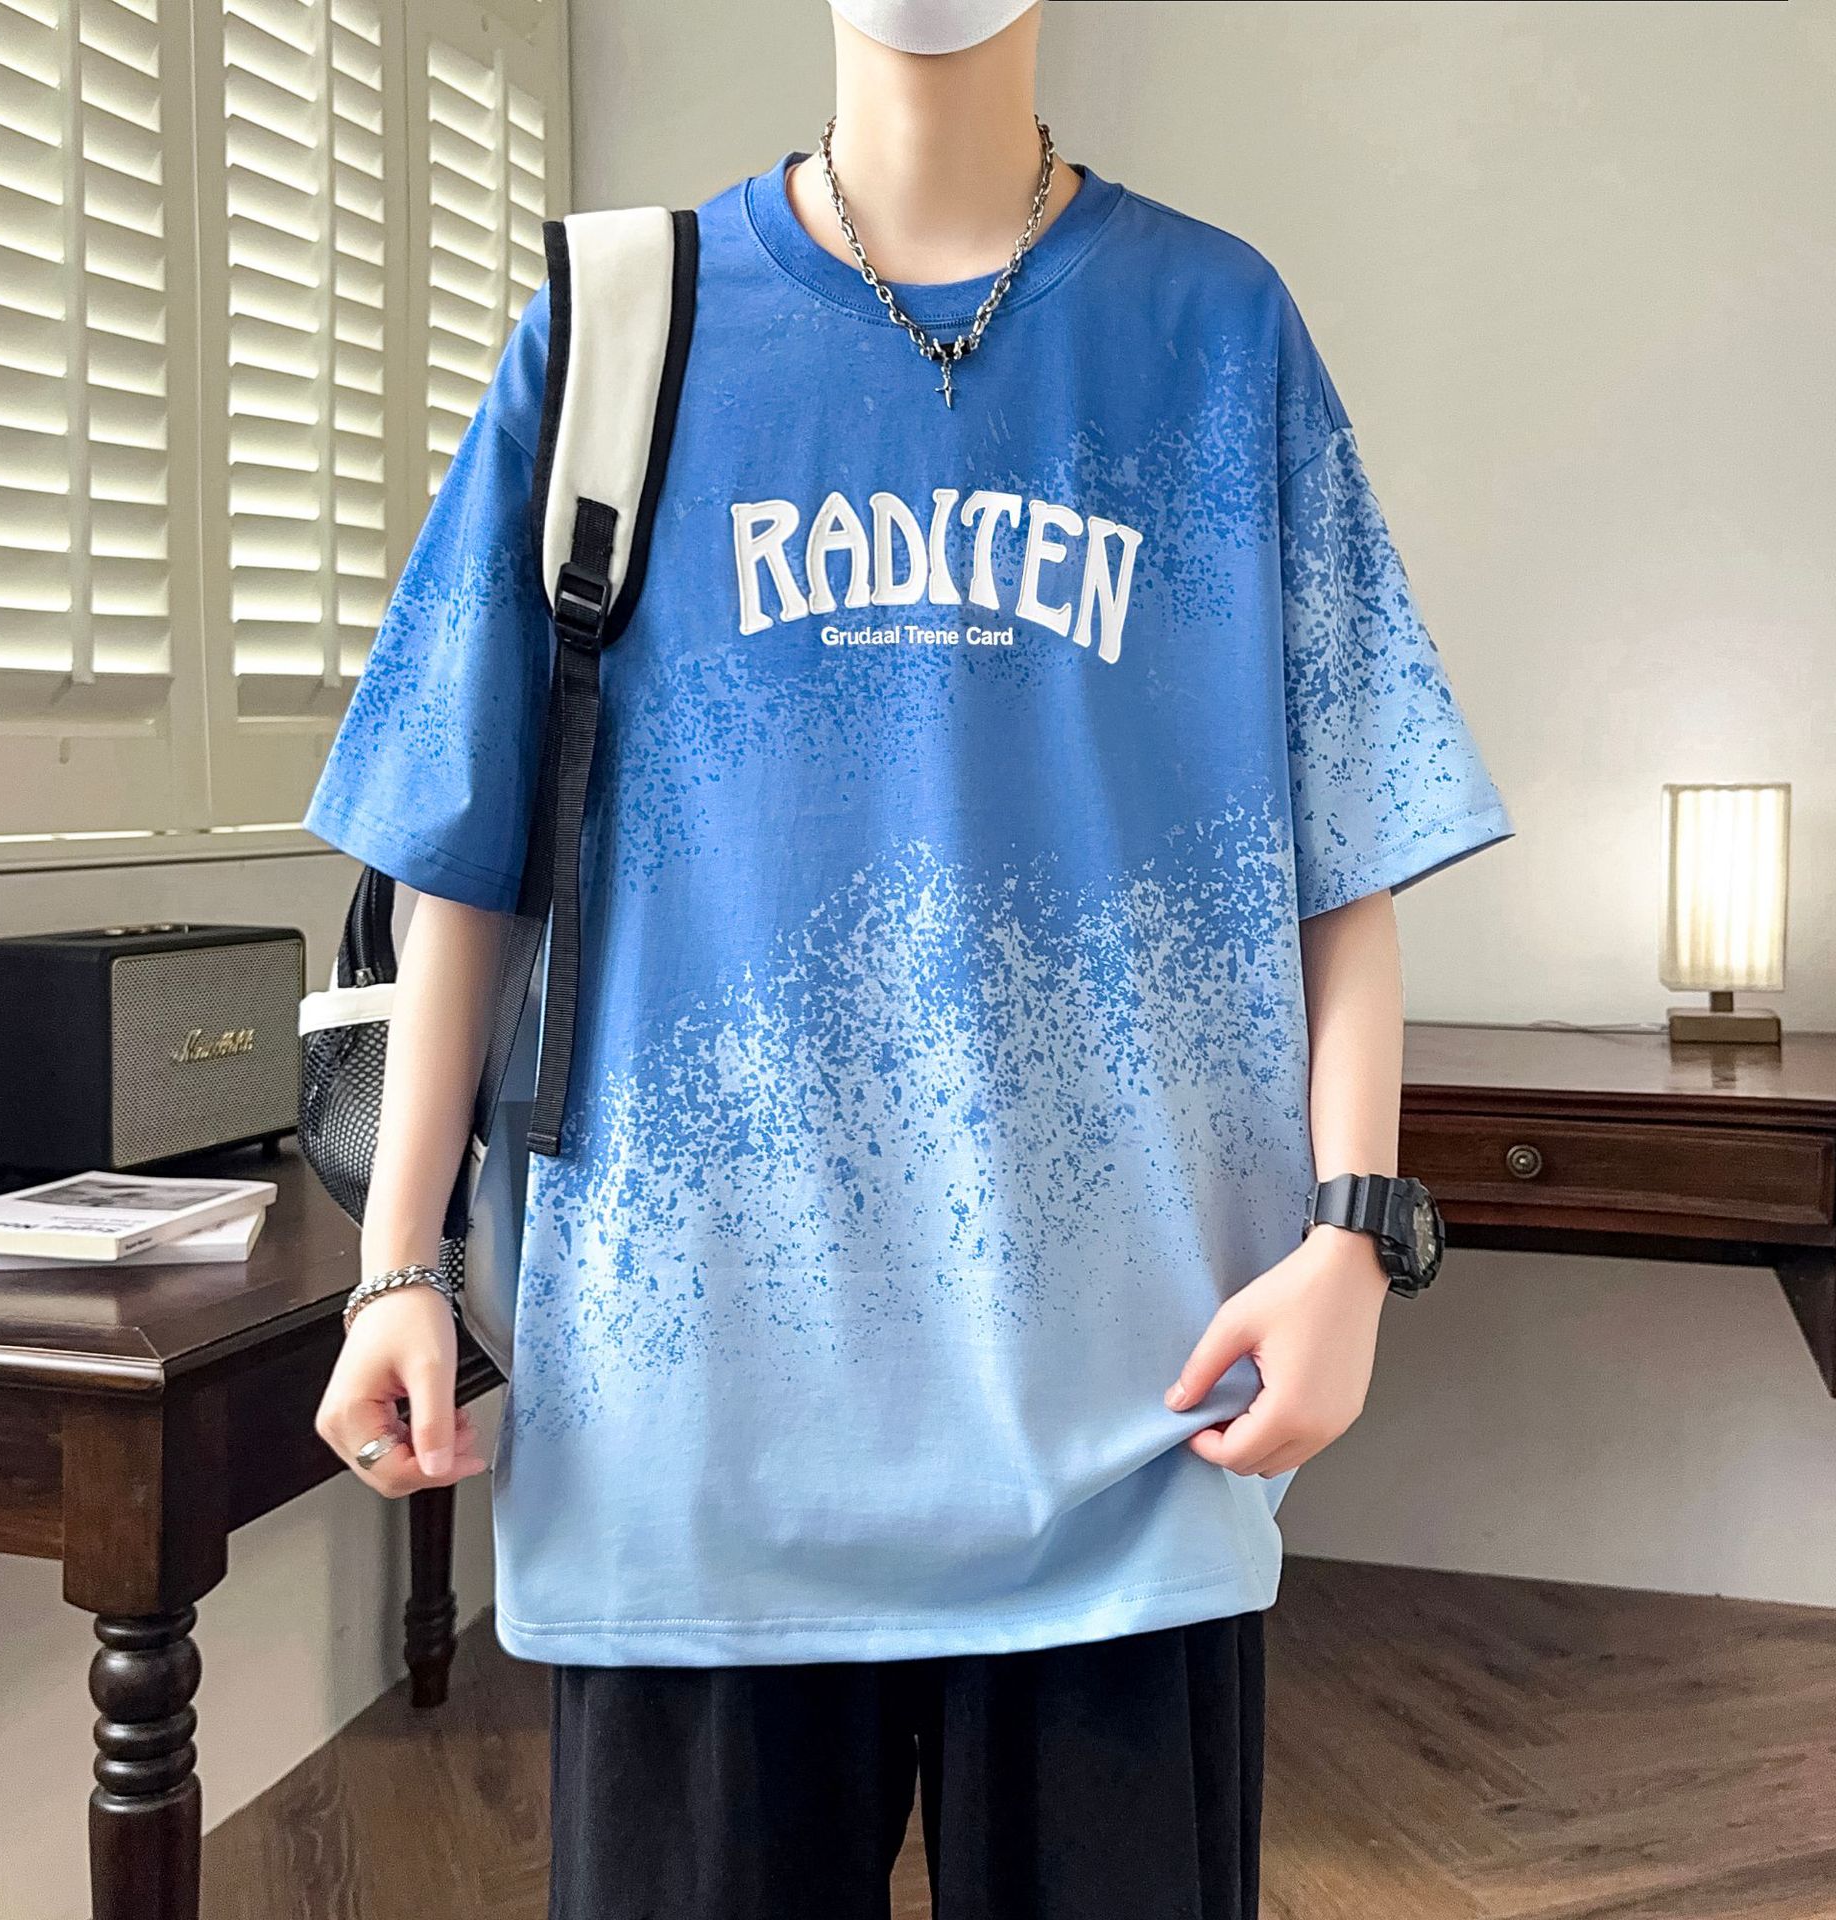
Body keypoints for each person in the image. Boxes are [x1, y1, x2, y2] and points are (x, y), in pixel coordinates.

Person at [305, 2, 1513, 1914]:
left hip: (1136, 1432)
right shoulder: (618, 328)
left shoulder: (1215, 329)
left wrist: (1355, 1236)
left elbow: (1341, 843)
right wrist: (399, 1264)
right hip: (694, 1440)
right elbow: (467, 846)